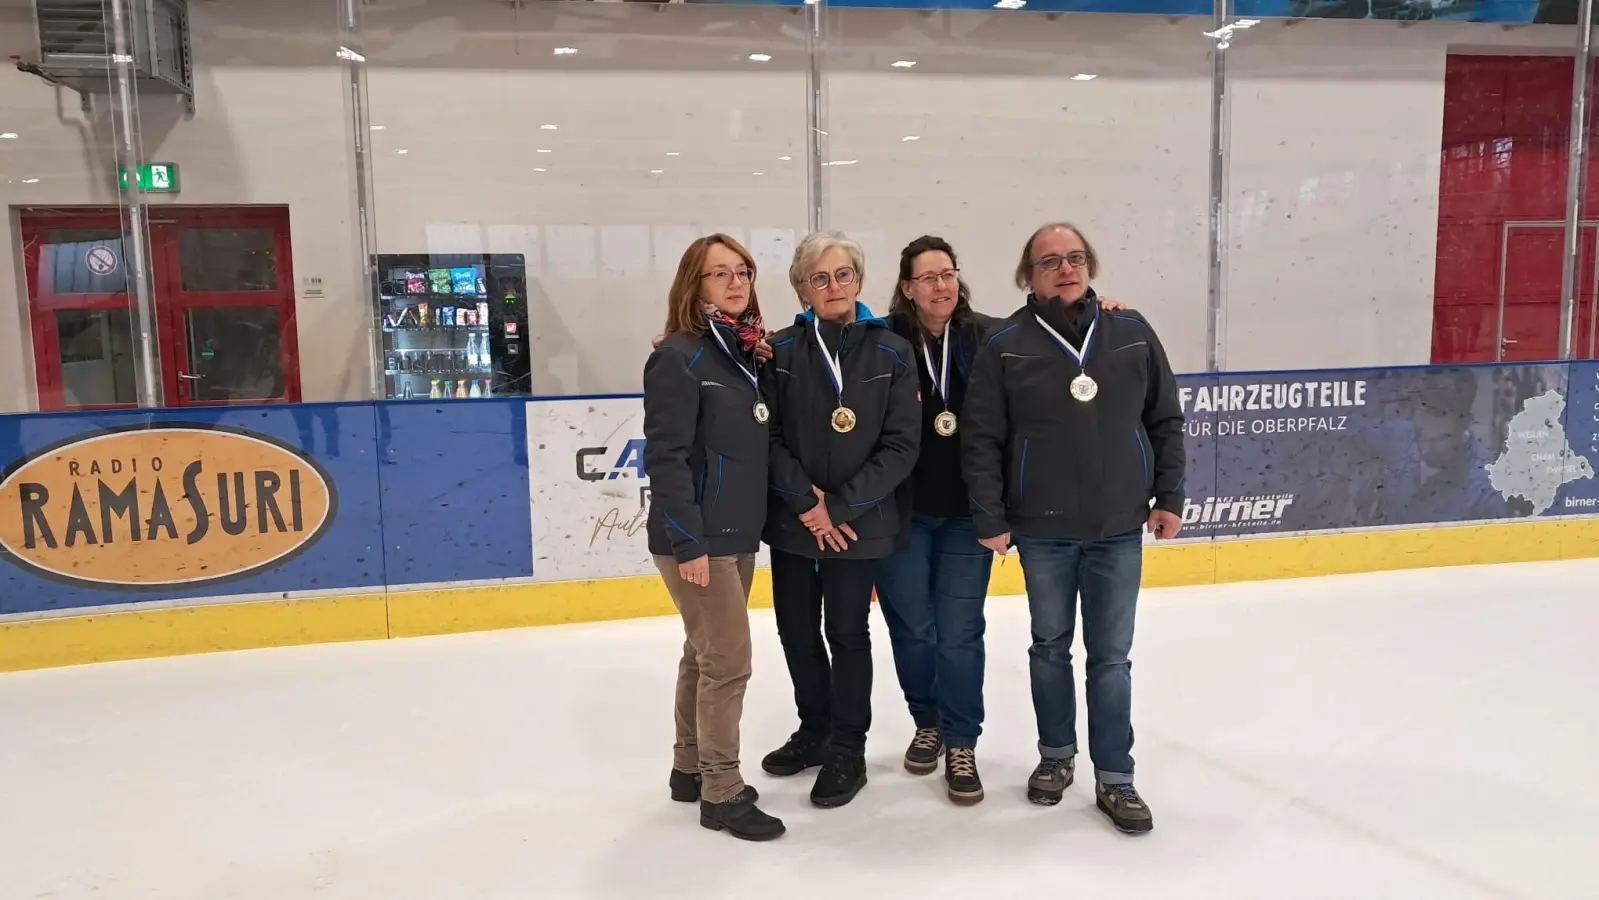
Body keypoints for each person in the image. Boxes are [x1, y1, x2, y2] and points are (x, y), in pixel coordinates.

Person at [961, 222, 1186, 835]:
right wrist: (992, 515)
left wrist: (1168, 495)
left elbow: (1165, 418)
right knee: (1049, 649)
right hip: (1043, 530)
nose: (1066, 268)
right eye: (1050, 261)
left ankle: (1116, 776)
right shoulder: (1006, 343)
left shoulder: (1131, 332)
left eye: (1076, 258)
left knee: (1111, 658)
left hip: (1118, 525)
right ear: (1028, 276)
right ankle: (1056, 758)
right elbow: (981, 439)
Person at [759, 230, 921, 809]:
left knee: (848, 633)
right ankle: (815, 730)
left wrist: (843, 506)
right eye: (820, 278)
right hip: (795, 522)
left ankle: (848, 746)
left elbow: (903, 445)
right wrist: (807, 503)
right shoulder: (777, 352)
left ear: (859, 279)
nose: (834, 287)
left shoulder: (892, 352)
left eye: (843, 275)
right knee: (796, 631)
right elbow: (768, 435)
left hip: (860, 522)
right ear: (802, 288)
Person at [641, 233, 784, 842]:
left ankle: (688, 767)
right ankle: (721, 791)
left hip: (738, 532)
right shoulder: (678, 356)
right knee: (729, 662)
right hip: (697, 539)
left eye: (743, 271)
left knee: (703, 654)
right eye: (718, 273)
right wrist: (688, 542)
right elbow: (666, 458)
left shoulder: (745, 355)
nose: (735, 282)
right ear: (692, 286)